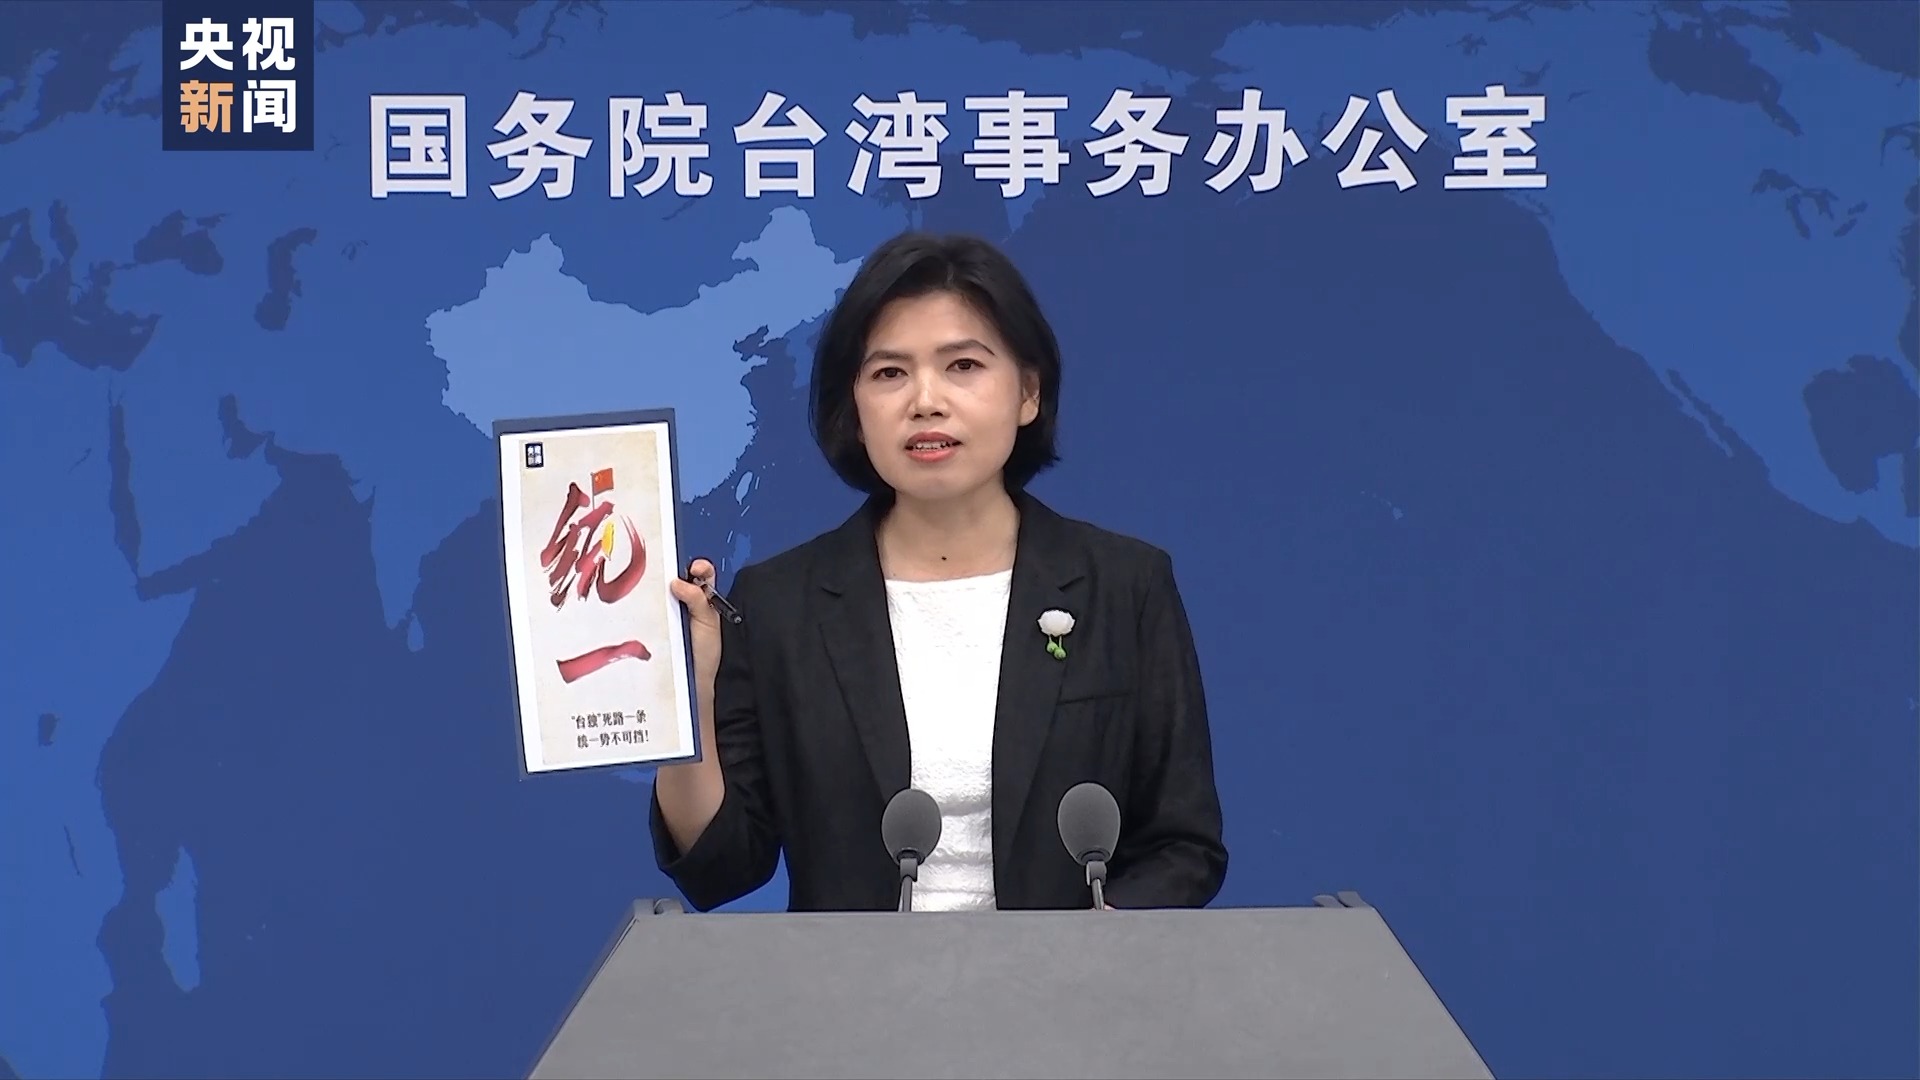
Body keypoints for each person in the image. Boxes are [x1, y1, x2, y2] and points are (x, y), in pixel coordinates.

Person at [649, 230, 1227, 913]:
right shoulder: (780, 604)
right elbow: (721, 865)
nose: (926, 400)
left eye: (963, 366)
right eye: (889, 374)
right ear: (854, 410)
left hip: (1072, 979)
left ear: (1028, 392)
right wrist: (686, 697)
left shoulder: (1124, 586)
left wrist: (1082, 956)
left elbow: (1183, 846)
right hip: (852, 981)